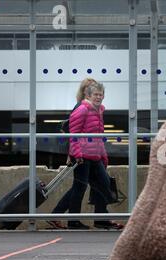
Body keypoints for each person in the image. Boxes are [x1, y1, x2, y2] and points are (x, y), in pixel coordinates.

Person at [49, 82, 123, 230]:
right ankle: (74, 221)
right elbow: (74, 134)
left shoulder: (99, 111)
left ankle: (100, 219)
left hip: (95, 156)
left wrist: (103, 156)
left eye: (101, 94)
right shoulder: (82, 109)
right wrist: (76, 154)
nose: (99, 97)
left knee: (104, 184)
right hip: (83, 155)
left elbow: (98, 137)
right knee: (80, 188)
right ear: (88, 95)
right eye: (95, 94)